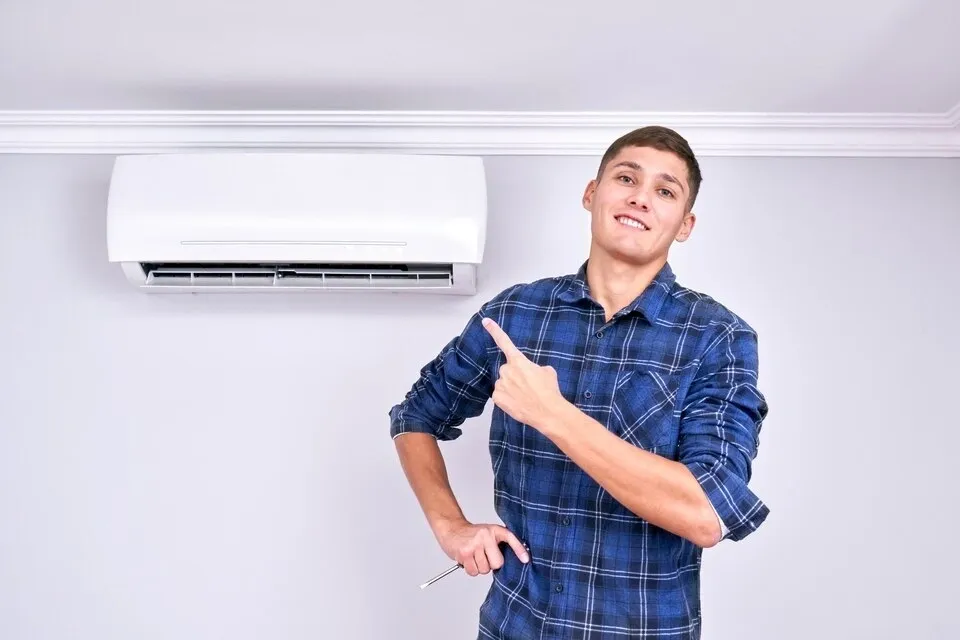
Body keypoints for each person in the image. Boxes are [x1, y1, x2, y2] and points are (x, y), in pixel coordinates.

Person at [388, 125, 769, 639]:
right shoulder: (516, 314)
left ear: (685, 224)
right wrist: (449, 526)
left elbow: (707, 513)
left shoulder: (717, 337)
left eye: (665, 191)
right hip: (515, 626)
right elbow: (415, 415)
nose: (640, 197)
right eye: (626, 177)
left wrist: (554, 414)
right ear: (592, 193)